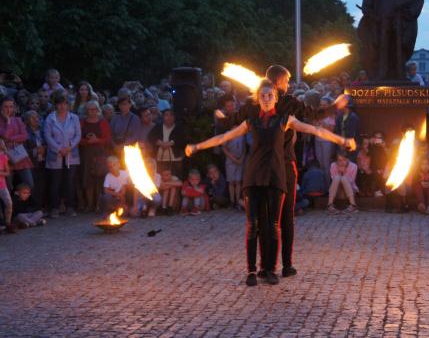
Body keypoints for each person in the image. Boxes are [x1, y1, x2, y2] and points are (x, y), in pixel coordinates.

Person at [186, 79, 355, 286]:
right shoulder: (251, 121)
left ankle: (272, 269)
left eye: (270, 96)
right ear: (258, 99)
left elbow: (315, 130)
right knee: (253, 224)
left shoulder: (286, 120)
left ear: (275, 98)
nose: (266, 99)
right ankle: (251, 271)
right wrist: (197, 146)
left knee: (274, 225)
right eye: (263, 96)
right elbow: (224, 137)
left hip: (275, 176)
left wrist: (342, 141)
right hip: (254, 175)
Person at [45, 90, 81, 218]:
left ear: (68, 105)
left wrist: (70, 147)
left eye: (65, 104)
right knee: (55, 182)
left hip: (71, 154)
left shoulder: (74, 118)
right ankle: (54, 207)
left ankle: (70, 207)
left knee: (70, 182)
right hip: (56, 154)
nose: (62, 106)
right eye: (60, 104)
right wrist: (59, 148)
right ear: (56, 105)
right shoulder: (50, 118)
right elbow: (47, 136)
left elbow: (78, 135)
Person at [79, 101, 111, 212]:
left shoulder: (103, 122)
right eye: (89, 109)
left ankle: (98, 205)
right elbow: (77, 138)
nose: (92, 112)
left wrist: (97, 140)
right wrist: (87, 141)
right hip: (86, 154)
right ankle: (89, 205)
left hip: (100, 153)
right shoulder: (81, 122)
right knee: (88, 180)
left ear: (98, 110)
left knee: (99, 180)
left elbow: (107, 138)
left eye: (94, 109)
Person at [0, 97, 35, 189]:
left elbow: (24, 136)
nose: (9, 109)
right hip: (5, 158)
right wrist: (7, 121)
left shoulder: (18, 120)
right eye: (6, 107)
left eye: (11, 107)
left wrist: (9, 139)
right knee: (8, 187)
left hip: (19, 156)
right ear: (1, 108)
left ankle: (23, 203)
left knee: (29, 184)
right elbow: (4, 136)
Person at [148, 108, 185, 177]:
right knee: (159, 178)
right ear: (163, 116)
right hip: (159, 159)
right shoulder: (157, 127)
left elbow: (183, 139)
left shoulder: (179, 127)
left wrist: (171, 143)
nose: (169, 117)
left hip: (175, 160)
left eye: (171, 115)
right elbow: (151, 137)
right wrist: (160, 143)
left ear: (174, 117)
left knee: (176, 178)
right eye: (166, 115)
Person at [23, 111, 47, 207]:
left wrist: (44, 148)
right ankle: (34, 207)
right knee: (33, 186)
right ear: (28, 121)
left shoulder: (43, 130)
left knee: (43, 185)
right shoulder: (25, 133)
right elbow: (24, 150)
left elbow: (48, 143)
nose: (36, 119)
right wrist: (36, 150)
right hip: (31, 163)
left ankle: (42, 207)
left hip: (44, 161)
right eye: (33, 118)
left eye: (37, 117)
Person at [222, 125, 245, 211]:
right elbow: (224, 148)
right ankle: (232, 201)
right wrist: (233, 158)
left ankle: (238, 200)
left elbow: (244, 147)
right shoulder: (228, 134)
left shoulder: (242, 133)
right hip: (230, 161)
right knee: (231, 182)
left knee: (238, 181)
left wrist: (242, 158)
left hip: (240, 161)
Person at [0, 140, 13, 233]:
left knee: (8, 203)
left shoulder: (3, 157)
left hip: (2, 185)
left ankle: (8, 223)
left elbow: (8, 172)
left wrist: (1, 173)